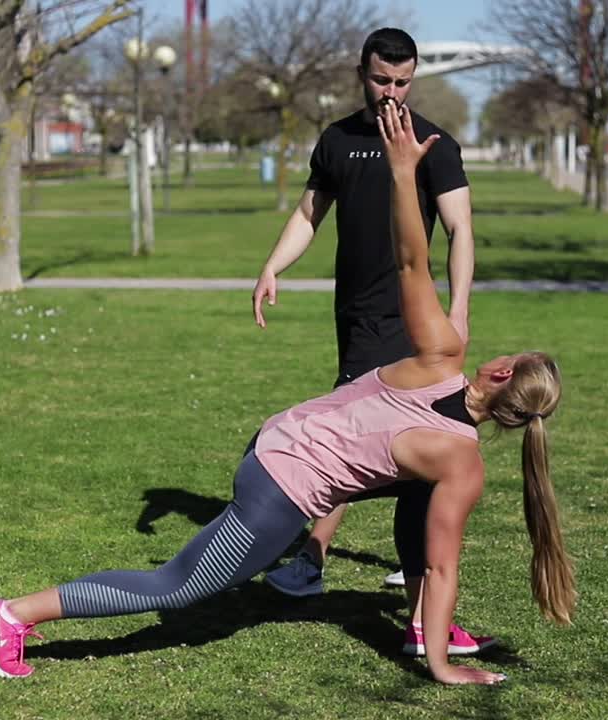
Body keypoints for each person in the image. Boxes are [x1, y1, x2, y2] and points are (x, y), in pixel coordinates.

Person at [0, 102, 574, 686]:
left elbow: (412, 265)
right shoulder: (463, 464)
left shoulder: (441, 356)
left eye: (514, 356)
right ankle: (13, 615)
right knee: (179, 586)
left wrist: (399, 171)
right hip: (282, 482)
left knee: (403, 493)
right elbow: (442, 569)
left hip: (275, 442)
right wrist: (441, 665)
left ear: (499, 374)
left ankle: (23, 613)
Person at [251, 27, 475, 602]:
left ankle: (312, 559)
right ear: (362, 73)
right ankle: (417, 565)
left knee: (349, 431)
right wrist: (273, 265)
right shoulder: (337, 140)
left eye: (402, 81)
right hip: (354, 315)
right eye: (381, 79)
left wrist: (460, 310)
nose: (392, 92)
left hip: (412, 322)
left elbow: (460, 230)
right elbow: (309, 215)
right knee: (392, 437)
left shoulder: (434, 144)